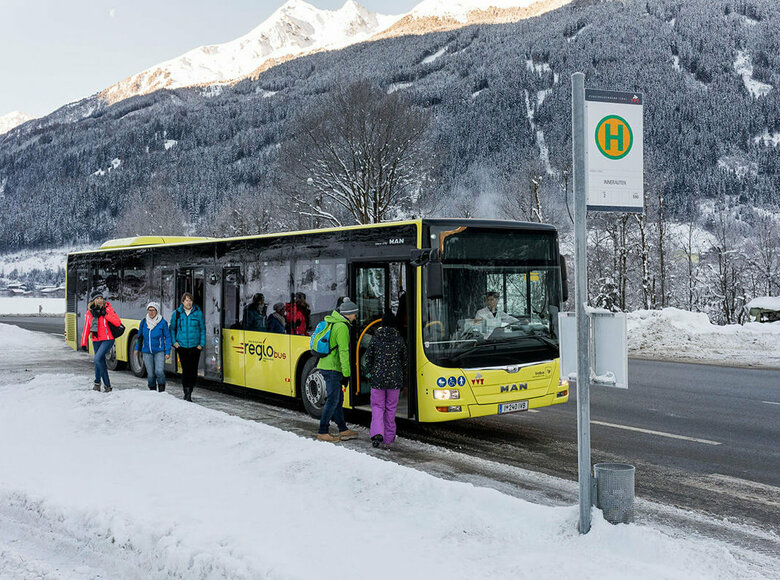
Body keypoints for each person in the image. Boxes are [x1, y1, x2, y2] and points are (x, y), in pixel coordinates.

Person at [315, 299, 360, 443]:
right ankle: (323, 431)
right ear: (349, 314)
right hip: (332, 368)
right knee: (333, 400)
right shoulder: (342, 327)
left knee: (338, 400)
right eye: (354, 314)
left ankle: (343, 429)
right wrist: (346, 374)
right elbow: (344, 352)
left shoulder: (334, 322)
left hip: (327, 365)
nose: (355, 316)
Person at [365, 311, 407, 449]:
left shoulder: (375, 339)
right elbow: (404, 361)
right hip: (394, 381)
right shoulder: (399, 339)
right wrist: (402, 376)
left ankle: (377, 433)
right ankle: (389, 438)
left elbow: (368, 358)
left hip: (377, 380)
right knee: (391, 408)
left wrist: (371, 372)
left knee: (377, 407)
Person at [80, 289, 122, 392]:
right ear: (93, 301)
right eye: (97, 298)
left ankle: (107, 385)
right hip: (96, 340)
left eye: (101, 298)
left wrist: (105, 315)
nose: (99, 300)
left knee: (97, 359)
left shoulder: (108, 309)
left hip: (108, 339)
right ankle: (97, 384)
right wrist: (83, 343)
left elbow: (117, 322)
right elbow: (87, 327)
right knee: (99, 362)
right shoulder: (90, 313)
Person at [169, 292, 205, 402]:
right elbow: (172, 329)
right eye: (186, 300)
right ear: (182, 302)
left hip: (195, 346)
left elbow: (202, 329)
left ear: (192, 302)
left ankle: (191, 389)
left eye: (190, 300)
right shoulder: (177, 313)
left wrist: (201, 344)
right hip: (182, 346)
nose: (188, 302)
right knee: (185, 369)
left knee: (193, 370)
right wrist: (174, 342)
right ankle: (186, 392)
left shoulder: (198, 313)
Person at [136, 301, 172, 392]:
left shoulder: (162, 322)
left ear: (157, 311)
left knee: (159, 372)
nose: (151, 312)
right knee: (151, 374)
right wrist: (137, 348)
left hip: (159, 351)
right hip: (147, 351)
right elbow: (140, 337)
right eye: (149, 310)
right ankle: (152, 391)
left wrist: (167, 351)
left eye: (153, 310)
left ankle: (161, 390)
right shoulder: (144, 322)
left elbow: (167, 337)